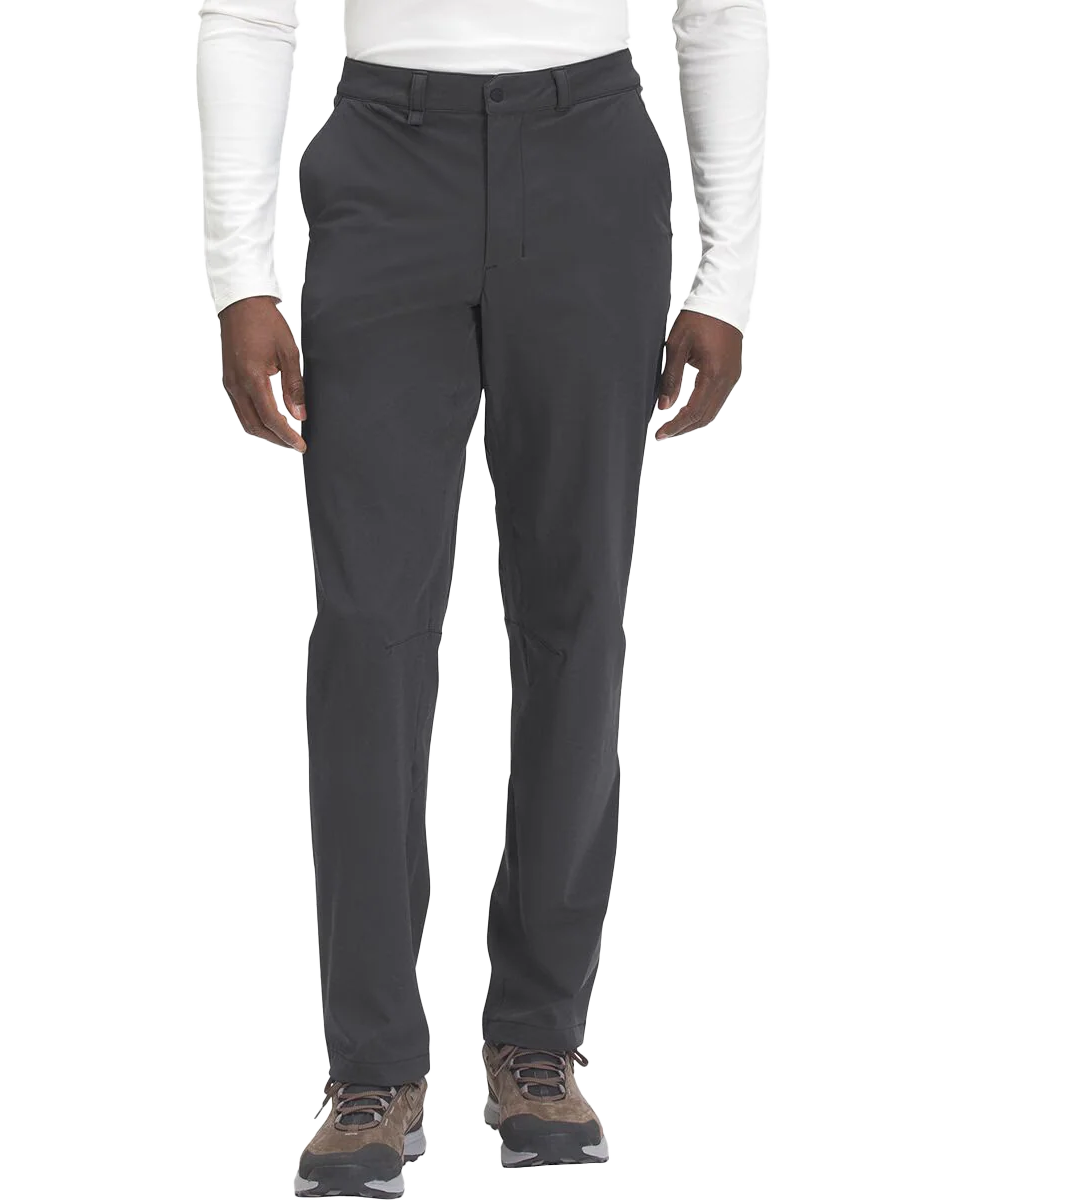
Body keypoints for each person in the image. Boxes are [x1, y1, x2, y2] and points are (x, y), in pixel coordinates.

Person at [195, 1, 769, 1194]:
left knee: (575, 616)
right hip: (385, 168)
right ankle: (370, 1067)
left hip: (590, 163)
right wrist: (240, 278)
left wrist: (728, 277)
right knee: (368, 629)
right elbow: (247, 11)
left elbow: (719, 10)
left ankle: (539, 1041)